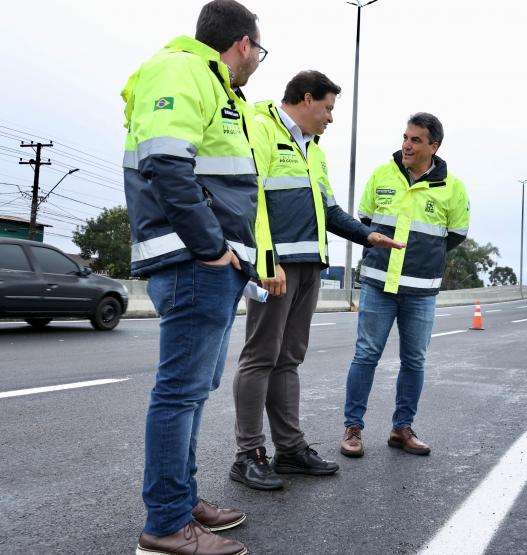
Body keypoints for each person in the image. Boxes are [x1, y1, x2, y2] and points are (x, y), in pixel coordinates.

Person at [122, 1, 267, 553]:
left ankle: (182, 503)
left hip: (209, 264)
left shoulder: (211, 83)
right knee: (179, 393)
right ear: (244, 45)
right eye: (259, 51)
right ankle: (164, 527)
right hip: (193, 262)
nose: (256, 61)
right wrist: (210, 248)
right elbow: (164, 164)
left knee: (194, 392)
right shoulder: (181, 69)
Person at [230, 71, 403, 491]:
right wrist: (266, 261)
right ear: (306, 99)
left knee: (288, 360)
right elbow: (249, 200)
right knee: (260, 357)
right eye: (327, 108)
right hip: (276, 268)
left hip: (310, 266)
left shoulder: (315, 151)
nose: (330, 117)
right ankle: (248, 454)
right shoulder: (261, 128)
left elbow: (329, 211)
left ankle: (289, 449)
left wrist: (368, 235)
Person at [340, 113, 470, 458]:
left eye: (415, 140)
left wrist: (422, 259)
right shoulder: (382, 174)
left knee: (414, 360)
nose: (406, 145)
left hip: (421, 291)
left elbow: (455, 234)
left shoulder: (452, 187)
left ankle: (402, 428)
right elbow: (365, 222)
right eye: (405, 137)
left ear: (433, 146)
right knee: (366, 355)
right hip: (377, 284)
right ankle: (353, 428)